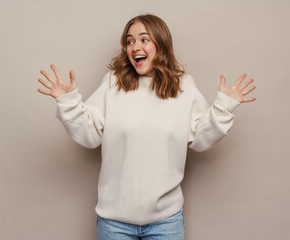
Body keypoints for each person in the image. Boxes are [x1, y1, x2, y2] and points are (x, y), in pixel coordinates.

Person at [37, 14, 256, 240]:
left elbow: (200, 139)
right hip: (114, 224)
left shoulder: (184, 86)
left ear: (160, 43)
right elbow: (90, 135)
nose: (135, 47)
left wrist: (223, 107)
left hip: (166, 222)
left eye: (144, 39)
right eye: (130, 41)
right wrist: (69, 103)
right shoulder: (113, 82)